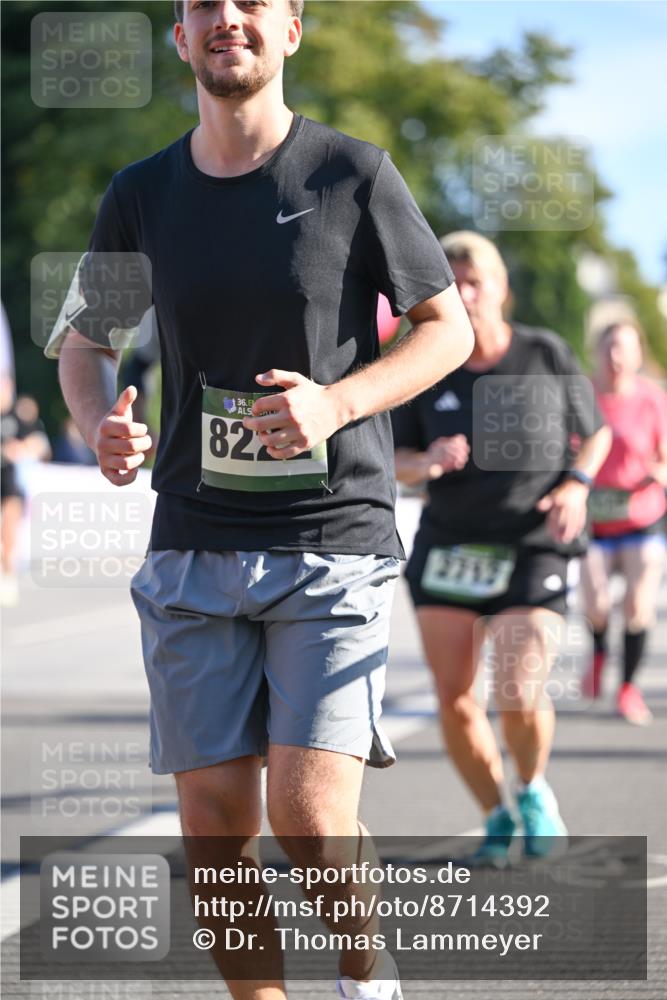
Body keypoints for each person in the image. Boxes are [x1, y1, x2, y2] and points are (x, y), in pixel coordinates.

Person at [48, 2, 474, 998]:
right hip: (193, 539)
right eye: (203, 5)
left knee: (312, 818)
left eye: (252, 3)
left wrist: (337, 402)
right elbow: (84, 343)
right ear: (181, 38)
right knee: (214, 836)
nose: (224, 18)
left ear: (289, 32)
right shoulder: (143, 191)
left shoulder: (350, 173)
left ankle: (367, 976)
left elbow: (443, 328)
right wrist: (95, 430)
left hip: (331, 538)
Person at [392, 231, 611, 867]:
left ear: (500, 287)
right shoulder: (423, 362)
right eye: (451, 281)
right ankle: (494, 812)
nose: (464, 292)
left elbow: (593, 435)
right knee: (456, 700)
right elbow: (395, 462)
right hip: (452, 544)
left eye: (475, 279)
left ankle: (532, 786)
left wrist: (577, 485)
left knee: (517, 690)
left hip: (532, 543)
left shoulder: (544, 352)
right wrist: (426, 461)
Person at [580, 320, 667, 725]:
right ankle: (598, 651)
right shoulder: (583, 395)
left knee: (637, 605)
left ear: (637, 354)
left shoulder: (653, 399)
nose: (616, 357)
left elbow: (665, 458)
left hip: (641, 516)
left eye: (624, 349)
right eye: (609, 347)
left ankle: (628, 689)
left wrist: (657, 474)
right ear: (597, 351)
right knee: (597, 605)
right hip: (593, 520)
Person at [1, 393, 51, 606]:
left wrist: (19, 449)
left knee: (9, 530)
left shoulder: (14, 417)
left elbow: (38, 445)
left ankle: (8, 575)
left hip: (8, 479)